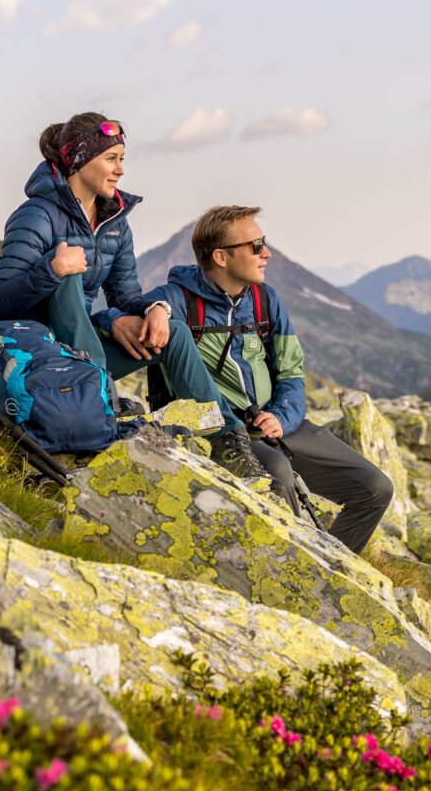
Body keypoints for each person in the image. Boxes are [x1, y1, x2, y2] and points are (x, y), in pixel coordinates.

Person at [0, 112, 265, 474]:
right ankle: (100, 397)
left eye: (121, 159)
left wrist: (157, 309)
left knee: (173, 333)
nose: (120, 170)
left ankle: (226, 441)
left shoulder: (115, 222)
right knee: (67, 274)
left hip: (79, 353)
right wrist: (52, 269)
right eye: (111, 159)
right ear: (80, 161)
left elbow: (127, 297)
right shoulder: (37, 216)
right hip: (28, 355)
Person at [162, 204, 396, 553]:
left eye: (264, 242)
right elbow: (137, 307)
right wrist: (155, 311)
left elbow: (291, 373)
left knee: (376, 488)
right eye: (256, 246)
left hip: (280, 424)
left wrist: (281, 417)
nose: (267, 253)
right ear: (221, 257)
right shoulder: (179, 299)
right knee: (278, 472)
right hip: (227, 434)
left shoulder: (265, 300)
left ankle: (333, 572)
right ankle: (292, 568)